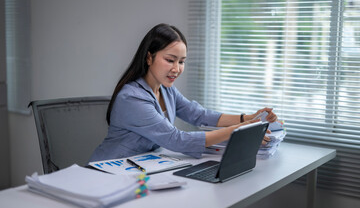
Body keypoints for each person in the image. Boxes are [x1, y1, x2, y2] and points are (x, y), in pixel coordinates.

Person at [89, 23, 277, 162]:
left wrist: (248, 118)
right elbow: (177, 140)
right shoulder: (131, 97)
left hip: (141, 168)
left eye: (181, 61)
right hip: (108, 171)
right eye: (170, 60)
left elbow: (199, 115)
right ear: (149, 57)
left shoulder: (166, 90)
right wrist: (238, 130)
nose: (177, 69)